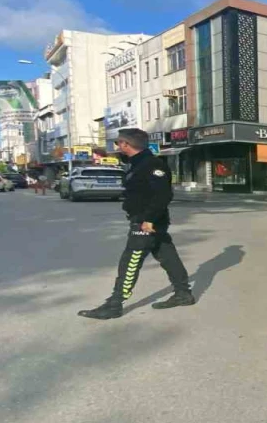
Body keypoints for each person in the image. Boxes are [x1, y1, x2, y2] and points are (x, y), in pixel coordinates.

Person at [78, 128, 195, 320]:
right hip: (148, 220)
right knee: (167, 256)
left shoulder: (152, 165)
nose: (118, 146)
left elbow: (163, 195)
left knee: (130, 260)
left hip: (146, 222)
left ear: (126, 144)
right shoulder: (138, 163)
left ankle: (114, 304)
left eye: (119, 143)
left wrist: (148, 219)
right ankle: (183, 293)